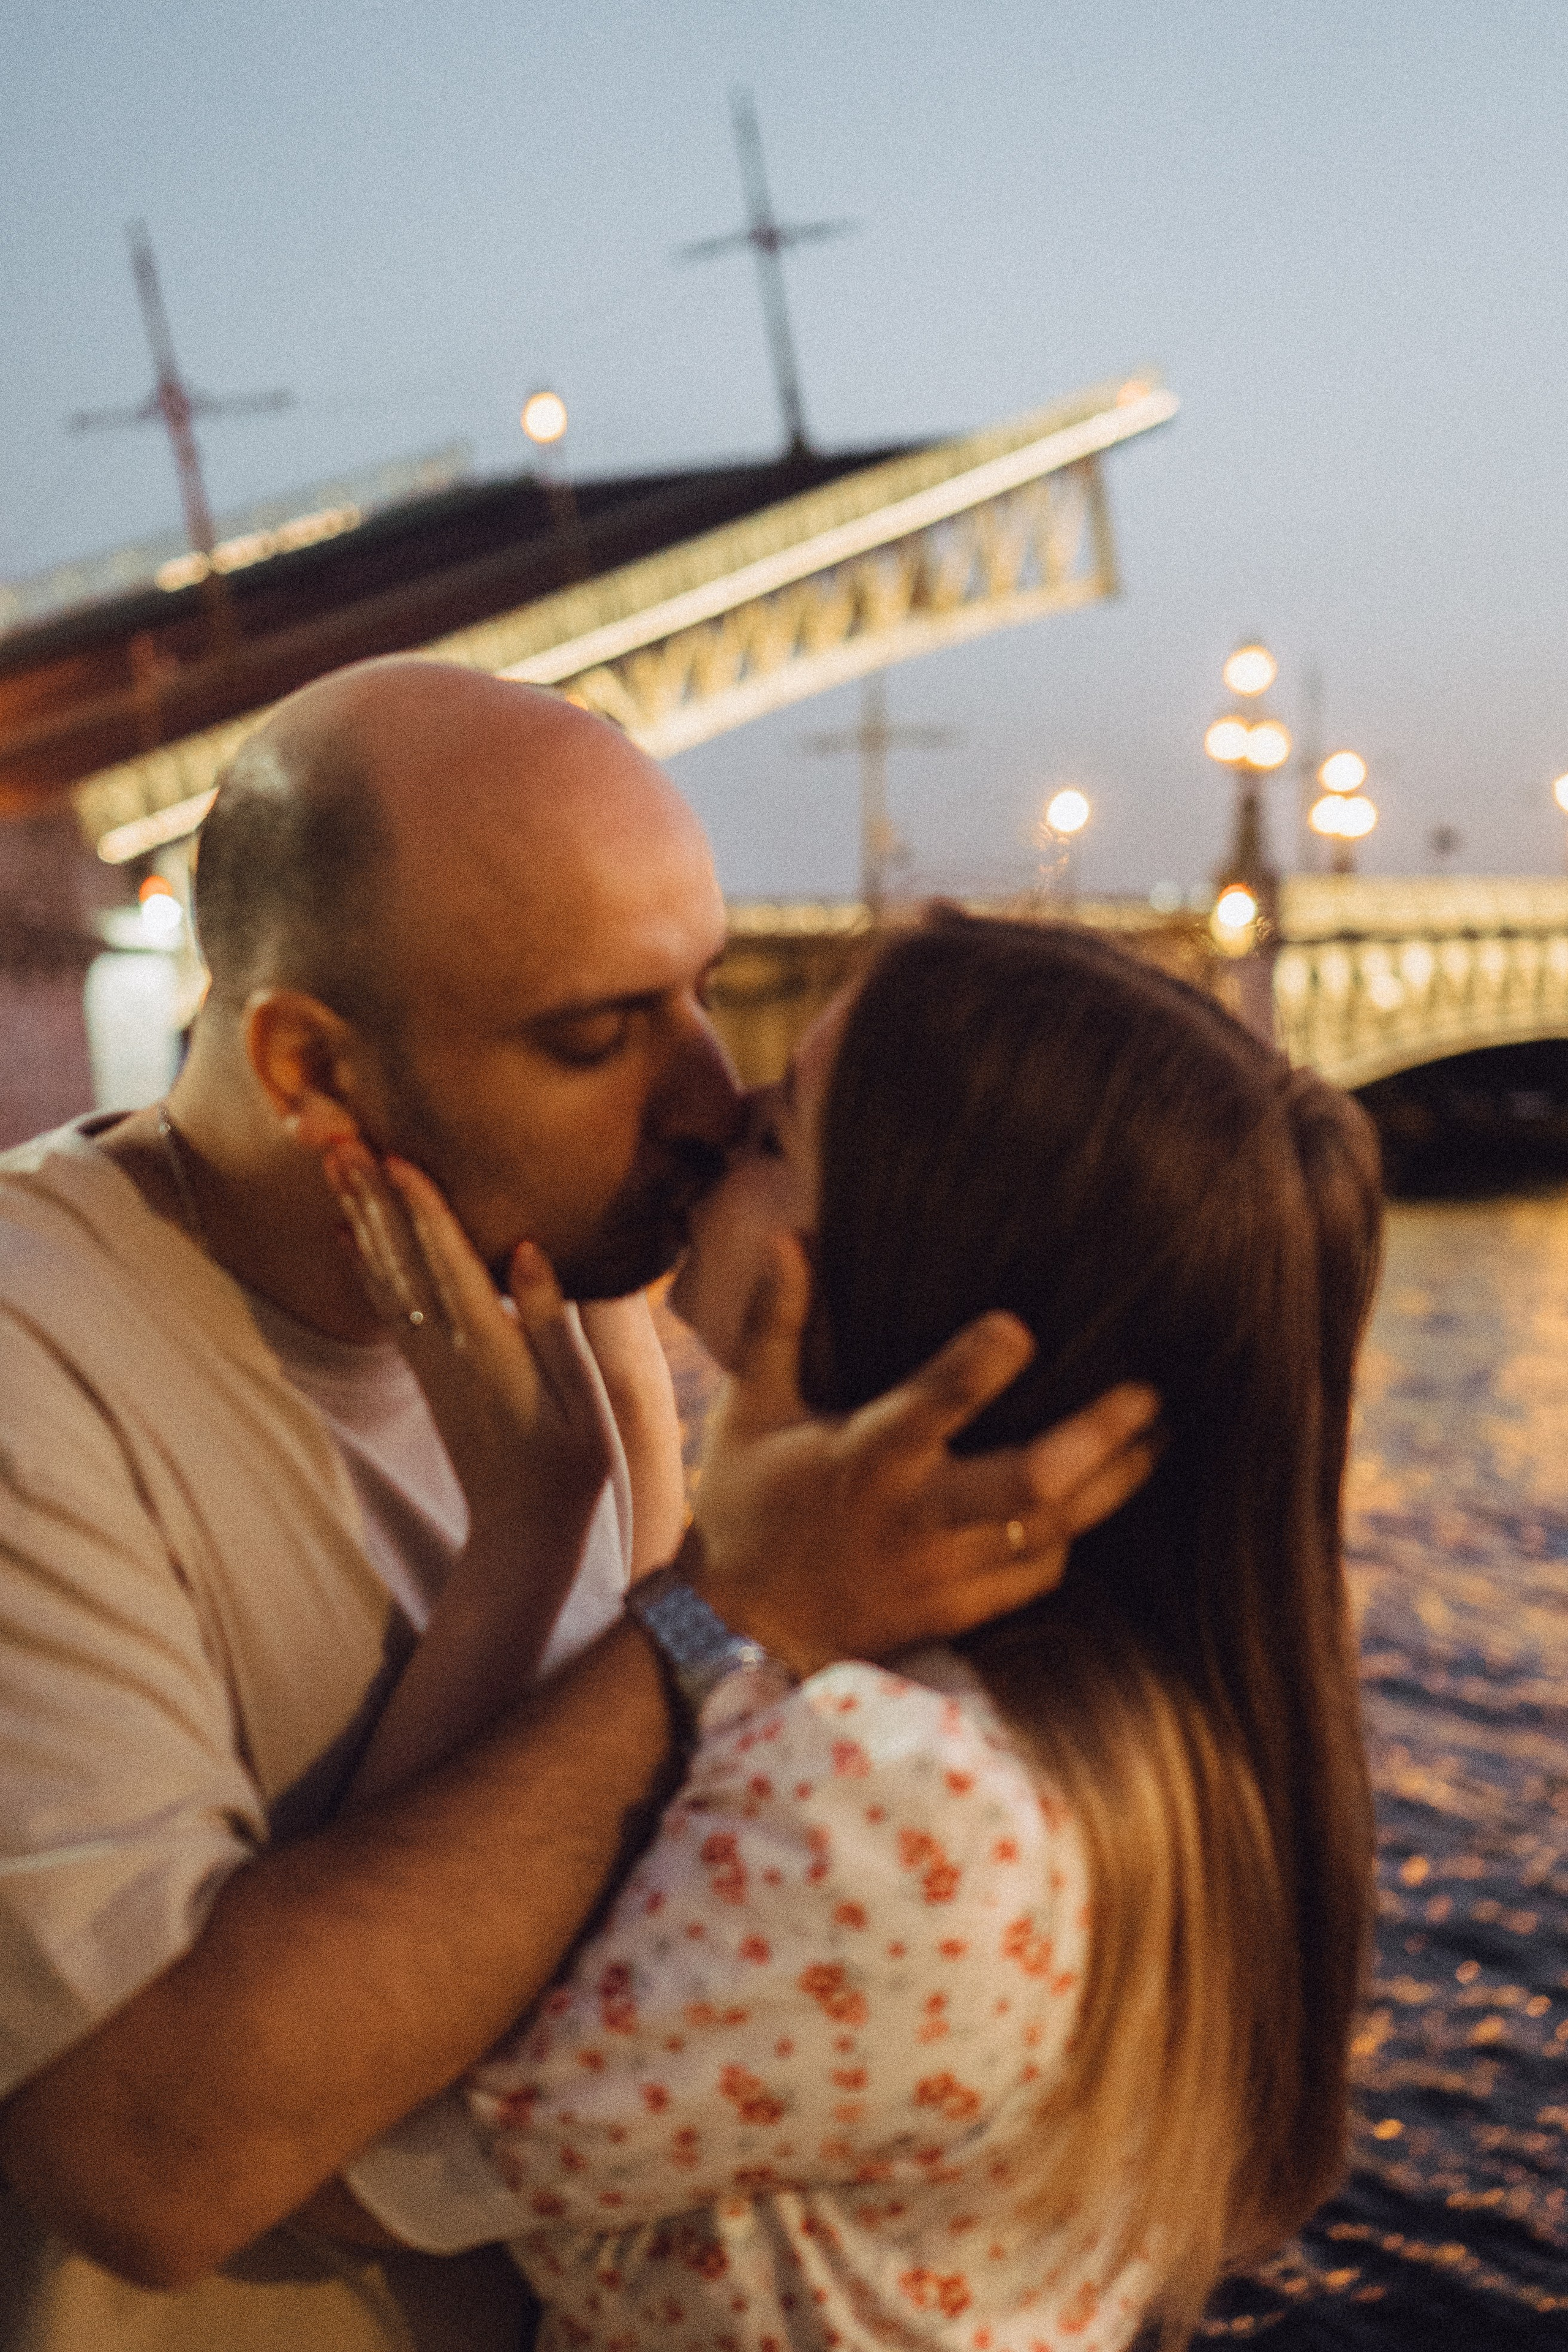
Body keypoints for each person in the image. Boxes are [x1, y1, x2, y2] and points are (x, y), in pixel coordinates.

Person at [0, 661, 1158, 2352]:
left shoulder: (585, 1303)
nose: (710, 1103)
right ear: (312, 1066)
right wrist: (721, 1611)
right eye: (596, 1038)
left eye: (702, 995)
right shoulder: (37, 1359)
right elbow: (150, 2164)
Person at [317, 910, 1381, 2352]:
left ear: (911, 1272)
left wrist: (533, 1534)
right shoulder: (1118, 1739)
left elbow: (328, 2135)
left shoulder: (901, 1802)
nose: (715, 1119)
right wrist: (657, 1458)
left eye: (776, 1135)